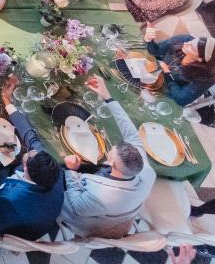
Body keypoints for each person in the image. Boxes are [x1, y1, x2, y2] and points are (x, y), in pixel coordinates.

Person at [59, 75, 155, 238]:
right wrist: (107, 97)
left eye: (112, 150)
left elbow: (76, 205)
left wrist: (72, 171)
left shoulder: (100, 195)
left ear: (111, 163)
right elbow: (130, 131)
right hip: (119, 206)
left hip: (84, 219)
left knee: (54, 168)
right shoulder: (146, 171)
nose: (111, 148)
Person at [0, 77, 65, 239]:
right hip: (22, 193)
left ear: (26, 168)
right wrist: (7, 102)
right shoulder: (53, 172)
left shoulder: (12, 201)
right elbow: (31, 137)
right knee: (4, 149)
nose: (30, 151)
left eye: (28, 157)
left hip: (14, 223)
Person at [139, 28, 215, 106]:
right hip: (148, 75)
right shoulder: (184, 39)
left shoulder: (208, 76)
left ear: (200, 58)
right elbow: (157, 51)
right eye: (193, 41)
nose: (187, 43)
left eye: (192, 47)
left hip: (164, 96)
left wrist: (167, 73)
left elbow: (181, 99)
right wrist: (149, 40)